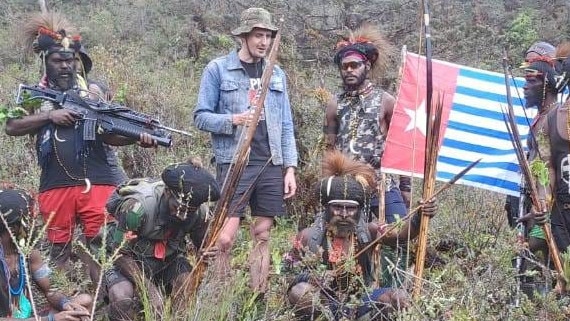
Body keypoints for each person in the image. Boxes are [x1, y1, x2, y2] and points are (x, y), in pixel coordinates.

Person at [4, 12, 154, 284]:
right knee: (59, 250)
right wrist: (49, 116)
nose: (65, 66)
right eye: (57, 60)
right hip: (54, 184)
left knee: (102, 248)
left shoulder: (93, 93)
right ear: (44, 62)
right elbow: (12, 126)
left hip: (99, 180)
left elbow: (111, 136)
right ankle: (67, 303)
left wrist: (137, 137)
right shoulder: (34, 96)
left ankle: (103, 302)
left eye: (69, 60)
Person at [193, 7, 298, 295]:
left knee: (262, 234)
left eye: (268, 36)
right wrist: (233, 120)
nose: (264, 42)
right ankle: (222, 297)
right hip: (235, 162)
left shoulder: (276, 73)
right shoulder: (218, 69)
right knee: (224, 237)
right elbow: (201, 116)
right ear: (243, 36)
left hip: (270, 162)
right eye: (258, 35)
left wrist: (290, 168)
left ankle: (258, 297)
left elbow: (286, 123)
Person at [284, 151, 436, 320]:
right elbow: (287, 270)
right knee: (300, 292)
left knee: (398, 298)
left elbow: (400, 234)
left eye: (350, 208)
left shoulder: (369, 231)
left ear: (359, 211)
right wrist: (309, 277)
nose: (343, 214)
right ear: (326, 209)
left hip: (361, 300)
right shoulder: (308, 236)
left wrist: (418, 218)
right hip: (324, 300)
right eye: (337, 207)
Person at [323, 24, 410, 287]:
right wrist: (327, 187)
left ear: (367, 66)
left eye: (354, 65)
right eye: (344, 66)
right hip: (347, 187)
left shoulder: (386, 101)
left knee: (398, 232)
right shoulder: (334, 103)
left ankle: (392, 290)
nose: (349, 70)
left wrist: (405, 186)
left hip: (382, 183)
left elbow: (402, 145)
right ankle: (352, 287)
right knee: (347, 236)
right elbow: (329, 148)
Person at [102, 160, 221, 321]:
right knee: (122, 297)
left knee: (186, 284)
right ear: (167, 192)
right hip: (127, 260)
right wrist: (148, 290)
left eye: (188, 211)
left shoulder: (200, 213)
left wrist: (207, 252)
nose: (182, 215)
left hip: (167, 259)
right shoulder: (136, 208)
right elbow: (119, 254)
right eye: (177, 207)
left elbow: (203, 246)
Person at [0, 187, 91, 321]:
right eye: (28, 222)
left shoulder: (27, 252)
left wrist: (66, 304)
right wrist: (50, 319)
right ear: (12, 228)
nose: (32, 226)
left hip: (27, 317)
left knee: (84, 301)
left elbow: (50, 289)